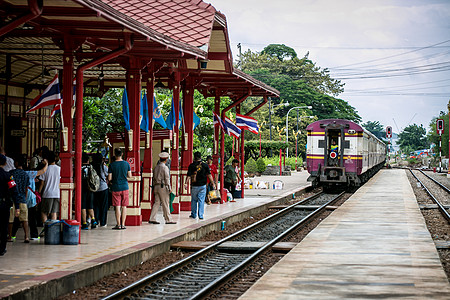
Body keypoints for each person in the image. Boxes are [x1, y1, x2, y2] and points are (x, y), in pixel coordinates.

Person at [9, 156, 47, 242]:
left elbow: (10, 186)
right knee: (25, 219)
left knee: (11, 219)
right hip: (23, 199)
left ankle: (10, 236)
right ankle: (26, 236)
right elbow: (26, 188)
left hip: (13, 200)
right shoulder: (27, 174)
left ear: (17, 163)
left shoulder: (11, 173)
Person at [0, 154, 20, 256]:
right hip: (4, 205)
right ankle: (2, 248)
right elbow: (14, 191)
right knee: (4, 227)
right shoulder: (8, 176)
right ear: (5, 163)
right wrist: (17, 206)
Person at [149, 152, 176, 224]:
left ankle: (152, 218)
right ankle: (168, 219)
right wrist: (169, 188)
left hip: (156, 186)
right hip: (162, 186)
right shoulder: (165, 167)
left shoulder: (156, 167)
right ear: (166, 159)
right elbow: (167, 178)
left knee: (156, 203)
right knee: (165, 203)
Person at [187, 152, 215, 220]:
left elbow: (188, 176)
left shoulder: (191, 165)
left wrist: (185, 183)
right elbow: (209, 175)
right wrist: (213, 183)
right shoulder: (205, 165)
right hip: (202, 186)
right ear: (200, 157)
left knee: (194, 200)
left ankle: (193, 214)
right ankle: (201, 215)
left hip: (194, 186)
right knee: (201, 200)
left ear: (194, 157)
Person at [108, 148, 131, 230]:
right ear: (122, 154)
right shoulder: (126, 164)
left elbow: (110, 178)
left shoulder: (112, 165)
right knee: (124, 206)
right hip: (125, 187)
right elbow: (130, 176)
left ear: (114, 154)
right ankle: (123, 224)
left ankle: (118, 224)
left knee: (117, 206)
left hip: (115, 187)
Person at [38, 151, 61, 224]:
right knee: (54, 212)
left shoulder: (45, 169)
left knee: (43, 211)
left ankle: (45, 228)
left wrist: (38, 192)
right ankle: (52, 230)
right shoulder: (59, 169)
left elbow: (42, 183)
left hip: (47, 193)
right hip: (57, 193)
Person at [92, 153, 109, 227]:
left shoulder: (91, 167)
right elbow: (108, 174)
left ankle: (96, 220)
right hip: (103, 188)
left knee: (96, 205)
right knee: (104, 206)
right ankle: (103, 222)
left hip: (94, 189)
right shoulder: (103, 167)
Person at [81, 153, 97, 230]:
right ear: (88, 160)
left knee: (83, 206)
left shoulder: (79, 167)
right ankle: (93, 219)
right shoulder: (91, 167)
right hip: (90, 188)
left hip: (82, 188)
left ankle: (84, 223)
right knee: (90, 205)